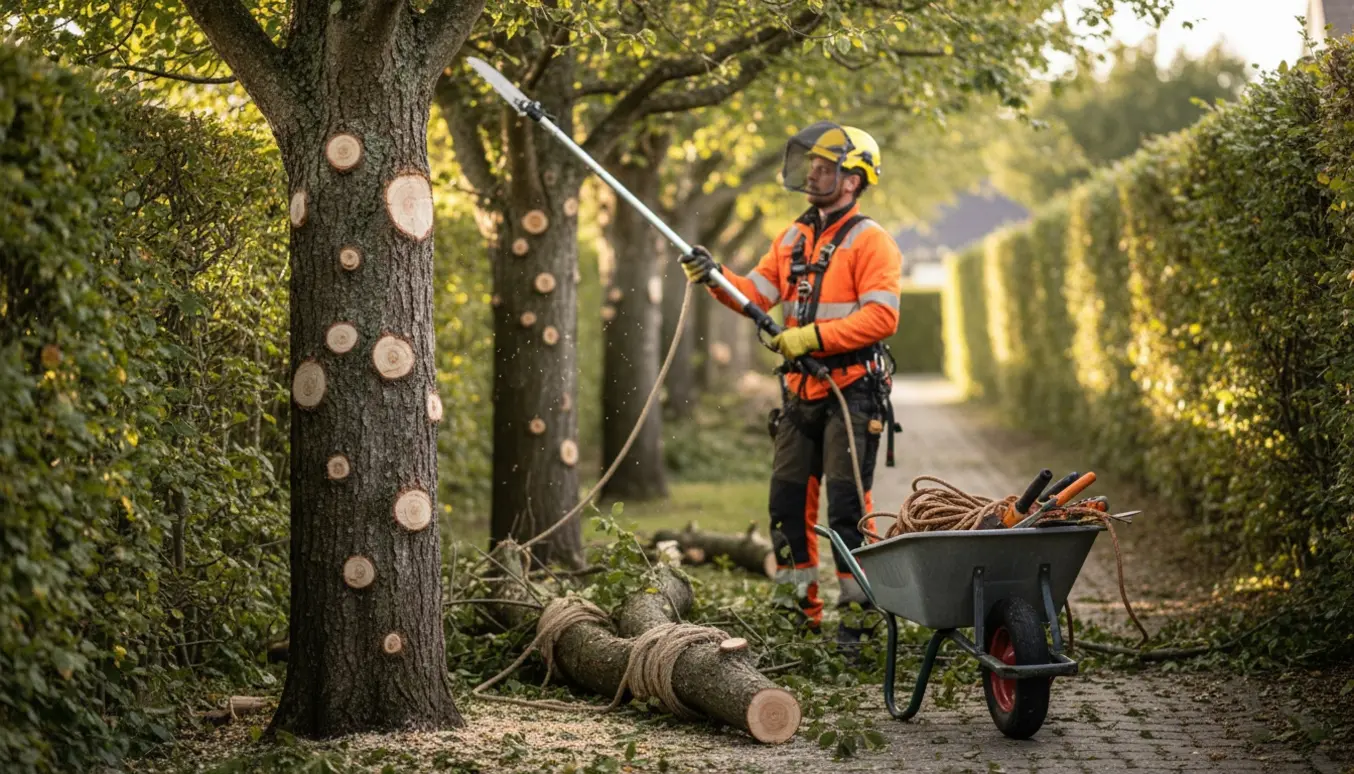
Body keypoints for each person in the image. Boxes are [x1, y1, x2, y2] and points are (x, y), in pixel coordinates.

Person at [680, 121, 903, 647]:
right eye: (812, 166)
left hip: (853, 390)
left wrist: (811, 338)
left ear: (854, 180)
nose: (813, 174)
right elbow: (753, 294)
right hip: (801, 393)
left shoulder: (873, 242)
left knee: (848, 508)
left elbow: (881, 318)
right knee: (785, 504)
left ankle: (861, 617)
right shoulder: (793, 238)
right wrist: (715, 276)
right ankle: (796, 612)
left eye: (826, 168)